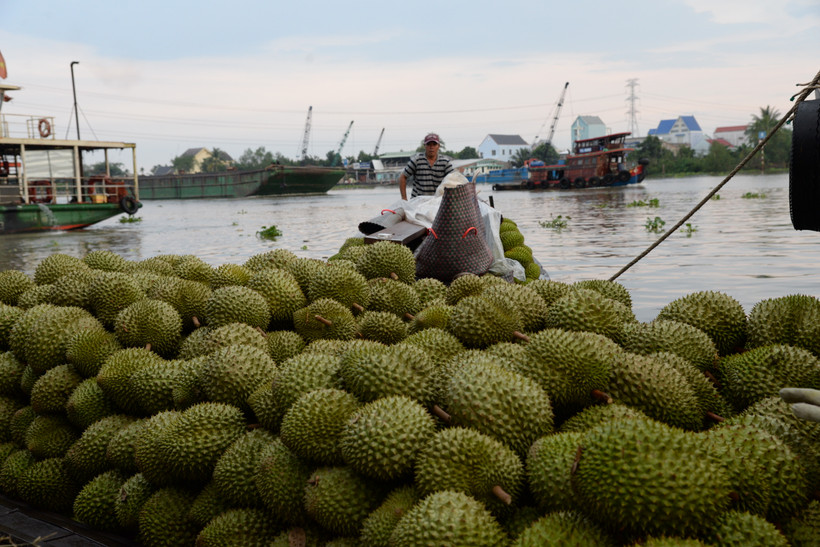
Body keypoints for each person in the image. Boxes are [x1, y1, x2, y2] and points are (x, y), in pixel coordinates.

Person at [398, 133, 454, 200]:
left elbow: (454, 179)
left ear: (438, 146)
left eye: (434, 144)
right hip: (418, 201)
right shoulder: (417, 160)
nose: (431, 147)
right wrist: (404, 199)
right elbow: (403, 177)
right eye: (429, 144)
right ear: (425, 146)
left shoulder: (445, 162)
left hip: (437, 201)